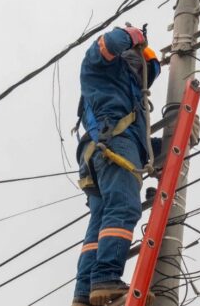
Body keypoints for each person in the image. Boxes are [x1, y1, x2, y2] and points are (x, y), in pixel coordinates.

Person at [71, 25, 162, 306]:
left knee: (100, 223)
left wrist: (177, 140)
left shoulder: (124, 97)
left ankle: (84, 294)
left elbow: (141, 145)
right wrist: (131, 34)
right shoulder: (103, 73)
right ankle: (106, 279)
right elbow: (106, 45)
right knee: (123, 208)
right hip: (112, 146)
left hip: (100, 153)